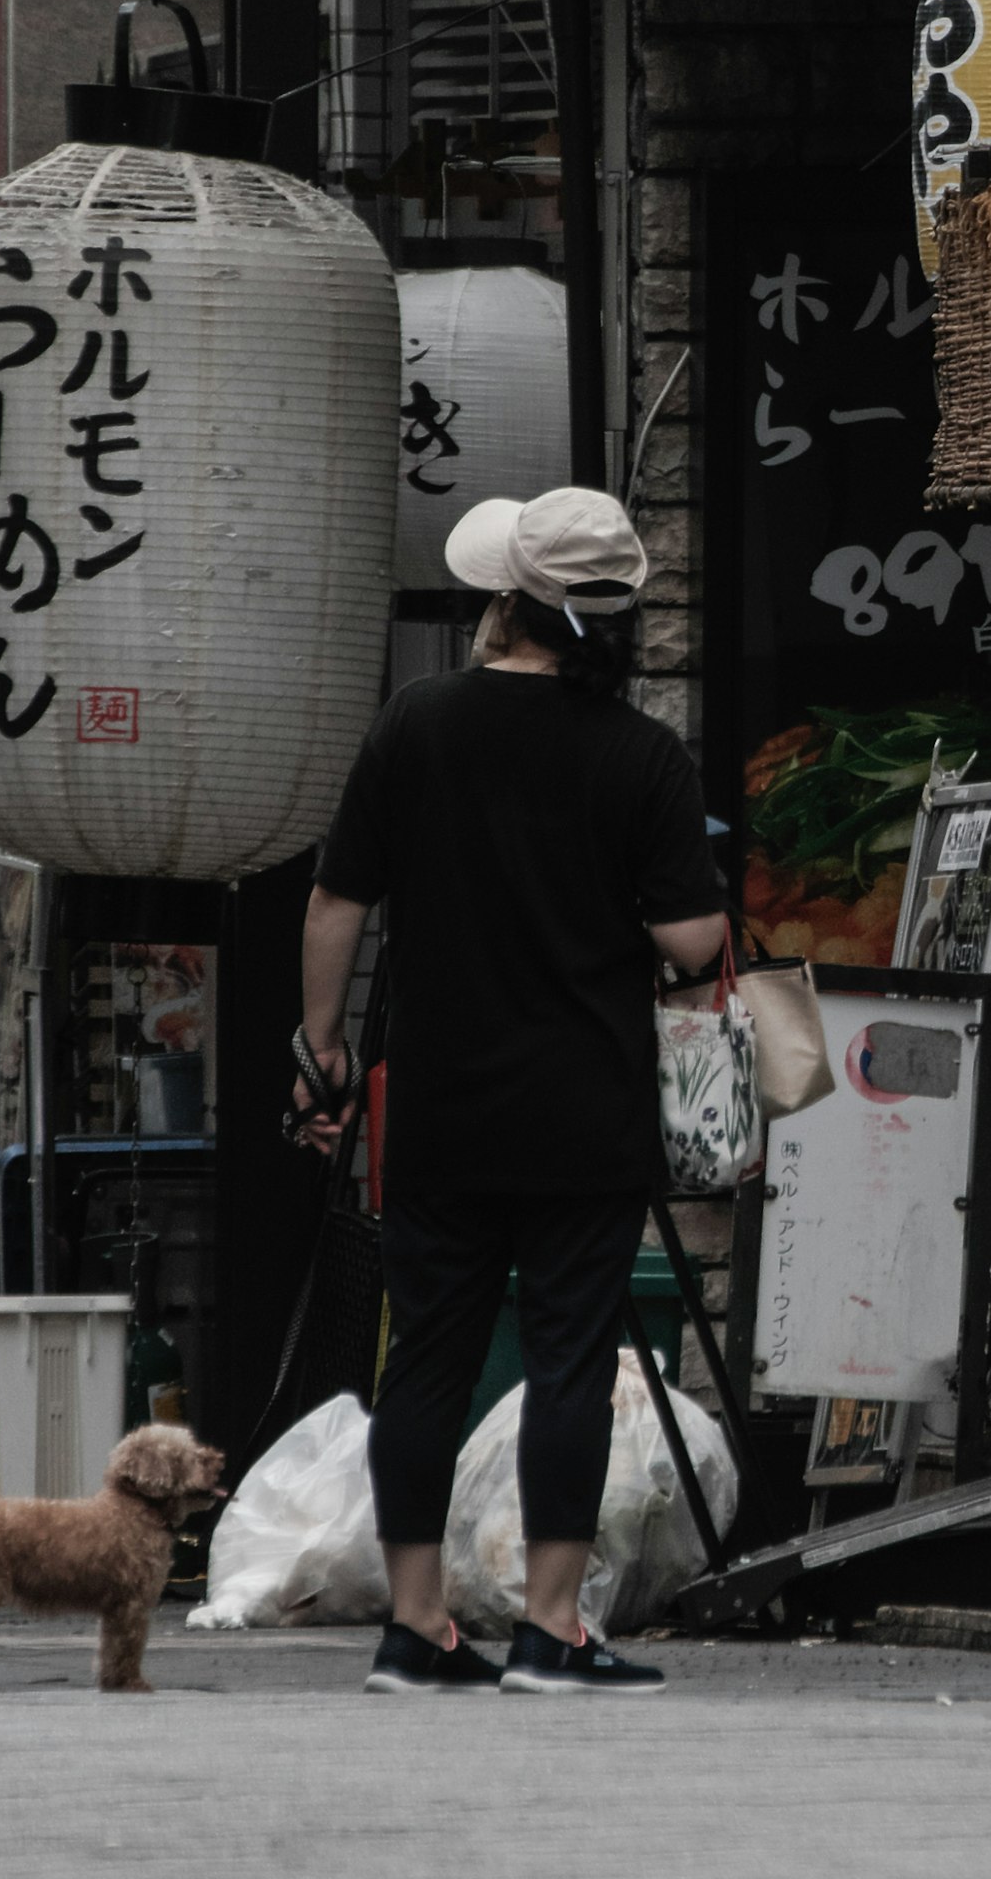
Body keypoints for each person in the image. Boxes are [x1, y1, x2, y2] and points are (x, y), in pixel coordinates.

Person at [296, 485, 729, 1696]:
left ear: (510, 602)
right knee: (571, 1363)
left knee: (424, 1361)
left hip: (438, 1108)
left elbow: (336, 900)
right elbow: (695, 942)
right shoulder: (640, 755)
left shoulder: (415, 725)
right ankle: (552, 1626)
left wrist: (322, 1047)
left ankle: (418, 1624)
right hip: (584, 1112)